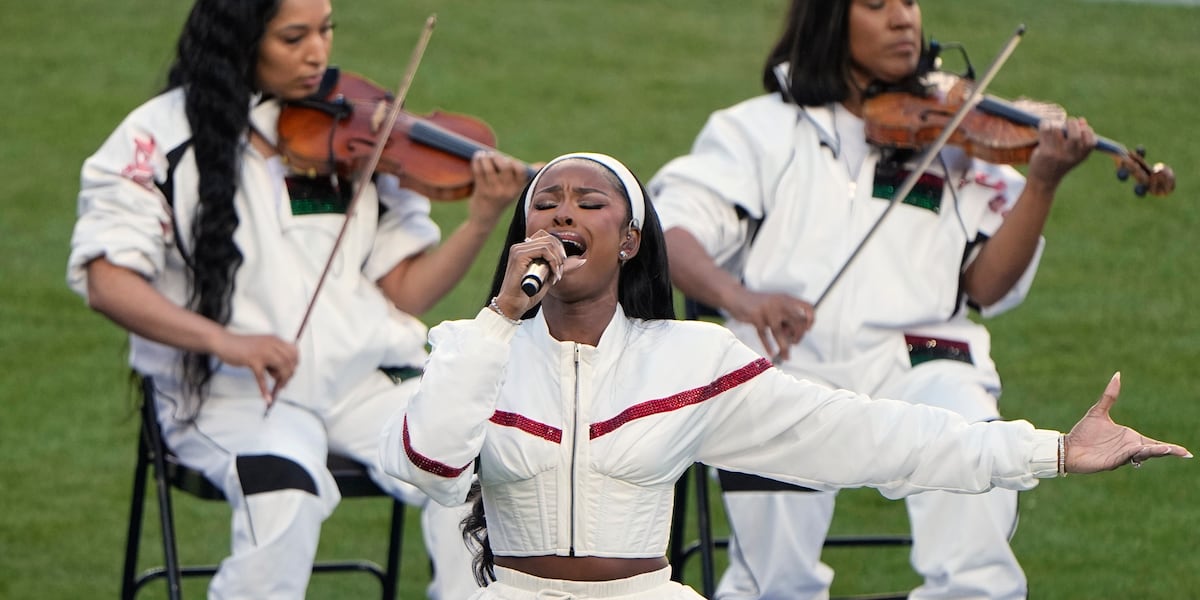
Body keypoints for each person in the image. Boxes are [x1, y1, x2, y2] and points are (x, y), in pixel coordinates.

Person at [378, 151, 1189, 600]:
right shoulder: (470, 345)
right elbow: (426, 467)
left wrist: (1050, 451)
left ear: (628, 242)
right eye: (544, 204)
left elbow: (867, 437)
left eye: (589, 202)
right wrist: (498, 321)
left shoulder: (690, 361)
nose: (560, 215)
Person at [645, 1, 1119, 598]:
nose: (903, 19)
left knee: (975, 465)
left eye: (910, 2)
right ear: (828, 21)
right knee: (773, 581)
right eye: (876, 4)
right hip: (787, 361)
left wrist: (1044, 181)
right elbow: (674, 236)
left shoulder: (958, 133)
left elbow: (988, 287)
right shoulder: (753, 130)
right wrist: (740, 298)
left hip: (923, 360)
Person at [65, 0, 529, 597]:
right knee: (284, 486)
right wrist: (226, 342)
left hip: (365, 381)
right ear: (241, 41)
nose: (319, 52)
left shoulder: (356, 128)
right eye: (294, 36)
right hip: (228, 394)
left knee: (475, 463)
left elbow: (406, 292)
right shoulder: (153, 139)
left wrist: (481, 220)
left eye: (326, 29)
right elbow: (107, 281)